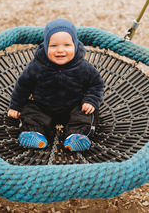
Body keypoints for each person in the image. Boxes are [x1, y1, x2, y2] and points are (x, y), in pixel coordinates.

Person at [7, 18, 104, 151]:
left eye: (67, 45)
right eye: (54, 46)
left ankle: (76, 136)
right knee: (29, 109)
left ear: (75, 45)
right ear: (46, 45)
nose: (60, 50)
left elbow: (96, 84)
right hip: (43, 107)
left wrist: (91, 100)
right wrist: (15, 106)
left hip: (74, 106)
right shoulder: (37, 65)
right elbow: (23, 85)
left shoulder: (82, 66)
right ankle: (35, 133)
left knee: (88, 112)